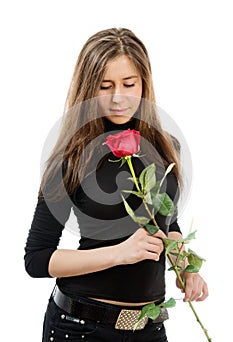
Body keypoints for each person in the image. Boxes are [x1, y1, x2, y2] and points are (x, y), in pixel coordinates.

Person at [24, 27, 208, 342]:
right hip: (79, 327)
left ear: (145, 84)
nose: (118, 97)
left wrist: (183, 263)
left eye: (129, 83)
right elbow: (37, 259)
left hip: (149, 329)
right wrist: (119, 253)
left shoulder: (166, 148)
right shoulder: (71, 158)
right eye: (104, 86)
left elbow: (166, 220)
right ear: (87, 88)